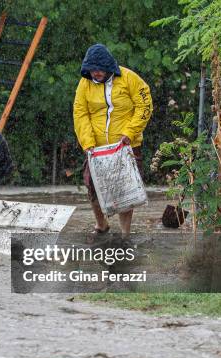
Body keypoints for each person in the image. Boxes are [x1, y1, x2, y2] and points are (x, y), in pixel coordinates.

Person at [73, 44, 153, 235]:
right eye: (92, 69)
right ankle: (101, 225)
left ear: (109, 66)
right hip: (96, 148)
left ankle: (125, 232)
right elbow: (80, 112)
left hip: (126, 145)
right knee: (92, 186)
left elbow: (145, 105)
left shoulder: (129, 78)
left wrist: (130, 133)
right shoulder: (85, 84)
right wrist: (87, 142)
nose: (96, 73)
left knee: (125, 190)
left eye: (99, 69)